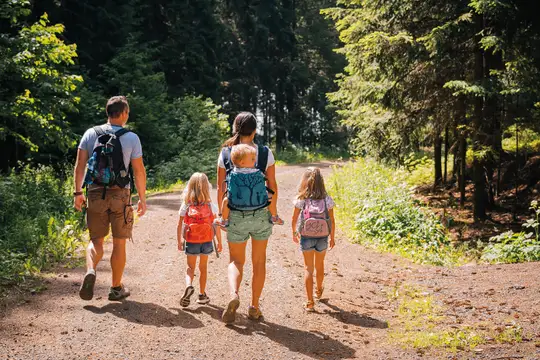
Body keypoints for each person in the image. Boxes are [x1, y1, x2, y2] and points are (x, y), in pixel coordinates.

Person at [73, 96, 147, 301]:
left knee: (95, 239)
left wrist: (78, 193)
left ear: (108, 112)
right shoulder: (131, 138)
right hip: (121, 195)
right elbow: (138, 171)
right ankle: (116, 288)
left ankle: (90, 270)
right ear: (123, 113)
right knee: (119, 243)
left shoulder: (90, 133)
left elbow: (80, 166)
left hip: (95, 192)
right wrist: (142, 197)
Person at [217, 112, 280, 324]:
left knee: (236, 260)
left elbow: (221, 187)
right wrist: (274, 213)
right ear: (254, 131)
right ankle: (254, 306)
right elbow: (272, 186)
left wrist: (221, 215)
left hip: (235, 213)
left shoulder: (226, 153)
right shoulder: (263, 152)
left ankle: (234, 294)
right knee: (259, 260)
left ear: (236, 129)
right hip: (261, 213)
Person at [291, 167, 336, 312]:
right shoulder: (327, 199)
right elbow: (332, 220)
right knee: (320, 264)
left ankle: (310, 302)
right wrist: (332, 237)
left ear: (306, 182)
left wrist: (294, 232)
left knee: (308, 268)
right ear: (321, 182)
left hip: (306, 236)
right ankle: (318, 290)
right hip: (323, 236)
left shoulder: (302, 199)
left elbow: (294, 218)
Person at [177, 172, 223, 307]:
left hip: (191, 240)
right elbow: (216, 224)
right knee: (203, 268)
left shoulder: (186, 204)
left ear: (190, 187)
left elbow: (179, 224)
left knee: (190, 267)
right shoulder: (210, 205)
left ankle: (189, 285)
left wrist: (179, 240)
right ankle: (202, 295)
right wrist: (219, 241)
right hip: (207, 240)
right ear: (206, 188)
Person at [216, 144, 283, 228]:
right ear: (242, 162)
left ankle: (223, 219)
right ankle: (274, 216)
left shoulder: (233, 173)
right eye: (252, 159)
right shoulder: (257, 172)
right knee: (270, 196)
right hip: (256, 201)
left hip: (236, 202)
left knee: (226, 200)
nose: (255, 161)